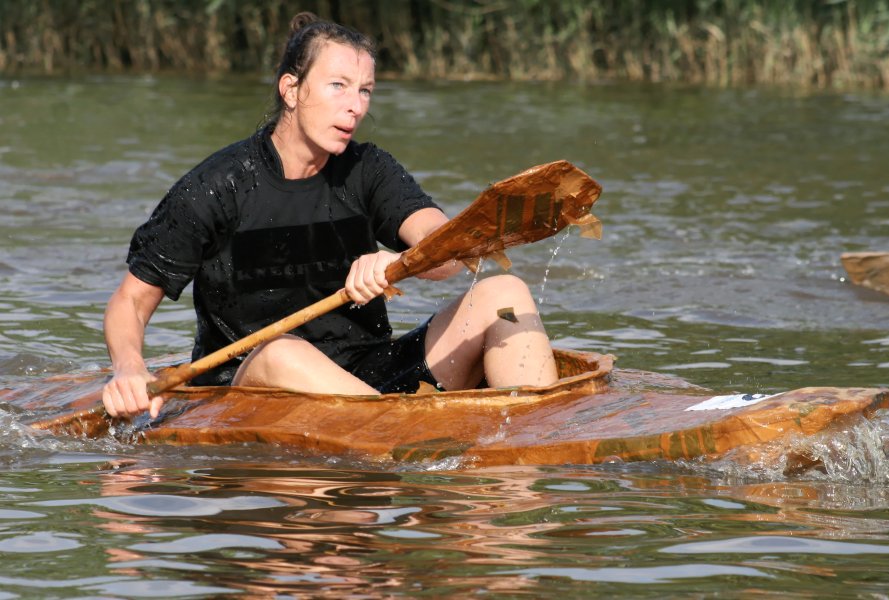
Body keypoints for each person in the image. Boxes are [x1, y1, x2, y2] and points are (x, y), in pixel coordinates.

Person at [101, 12, 558, 419]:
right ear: (291, 90)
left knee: (505, 293)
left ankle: (535, 436)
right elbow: (131, 302)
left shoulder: (368, 168)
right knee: (282, 351)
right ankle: (404, 431)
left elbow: (446, 247)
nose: (355, 106)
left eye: (365, 90)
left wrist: (399, 262)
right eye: (338, 86)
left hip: (370, 379)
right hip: (252, 389)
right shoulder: (216, 186)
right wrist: (129, 369)